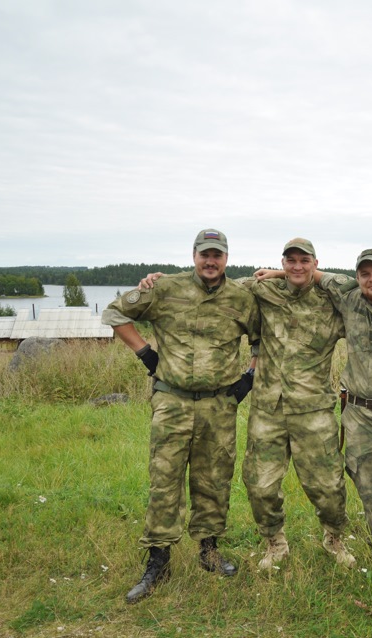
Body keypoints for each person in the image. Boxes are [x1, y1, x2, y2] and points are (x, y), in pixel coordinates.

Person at [140, 239, 372, 572]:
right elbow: (214, 283)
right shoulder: (263, 291)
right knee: (260, 484)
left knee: (328, 486)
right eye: (289, 261)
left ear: (315, 264)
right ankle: (274, 542)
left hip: (314, 410)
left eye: (304, 261)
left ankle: (334, 538)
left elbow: (365, 286)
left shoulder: (331, 301)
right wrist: (160, 281)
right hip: (268, 410)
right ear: (282, 262)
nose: (297, 267)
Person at [257, 248, 372, 582]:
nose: (371, 279)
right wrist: (277, 273)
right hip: (358, 413)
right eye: (365, 274)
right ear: (357, 277)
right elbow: (313, 274)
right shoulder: (348, 297)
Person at [102, 229, 260, 604]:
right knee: (164, 479)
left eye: (217, 255)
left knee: (214, 478)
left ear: (226, 258)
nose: (211, 261)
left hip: (218, 406)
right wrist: (146, 354)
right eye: (204, 254)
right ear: (193, 256)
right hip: (171, 402)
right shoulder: (164, 288)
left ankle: (209, 552)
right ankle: (158, 561)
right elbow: (114, 311)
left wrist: (249, 378)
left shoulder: (241, 297)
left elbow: (261, 337)